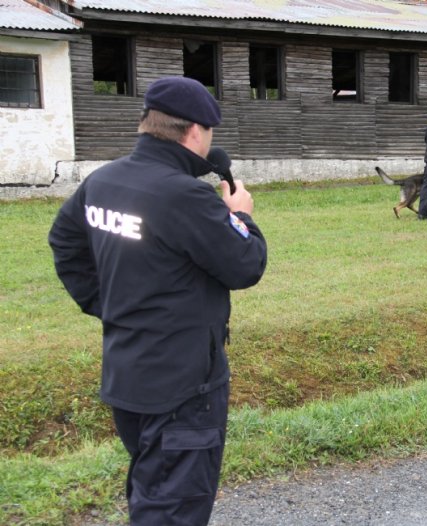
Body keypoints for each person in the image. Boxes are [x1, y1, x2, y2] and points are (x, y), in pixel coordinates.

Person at [48, 76, 267, 525]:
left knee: (153, 488)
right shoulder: (184, 195)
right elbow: (246, 264)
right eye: (210, 134)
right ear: (194, 132)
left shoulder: (104, 181)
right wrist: (240, 214)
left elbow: (65, 244)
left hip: (128, 371)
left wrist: (110, 306)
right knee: (173, 507)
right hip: (183, 385)